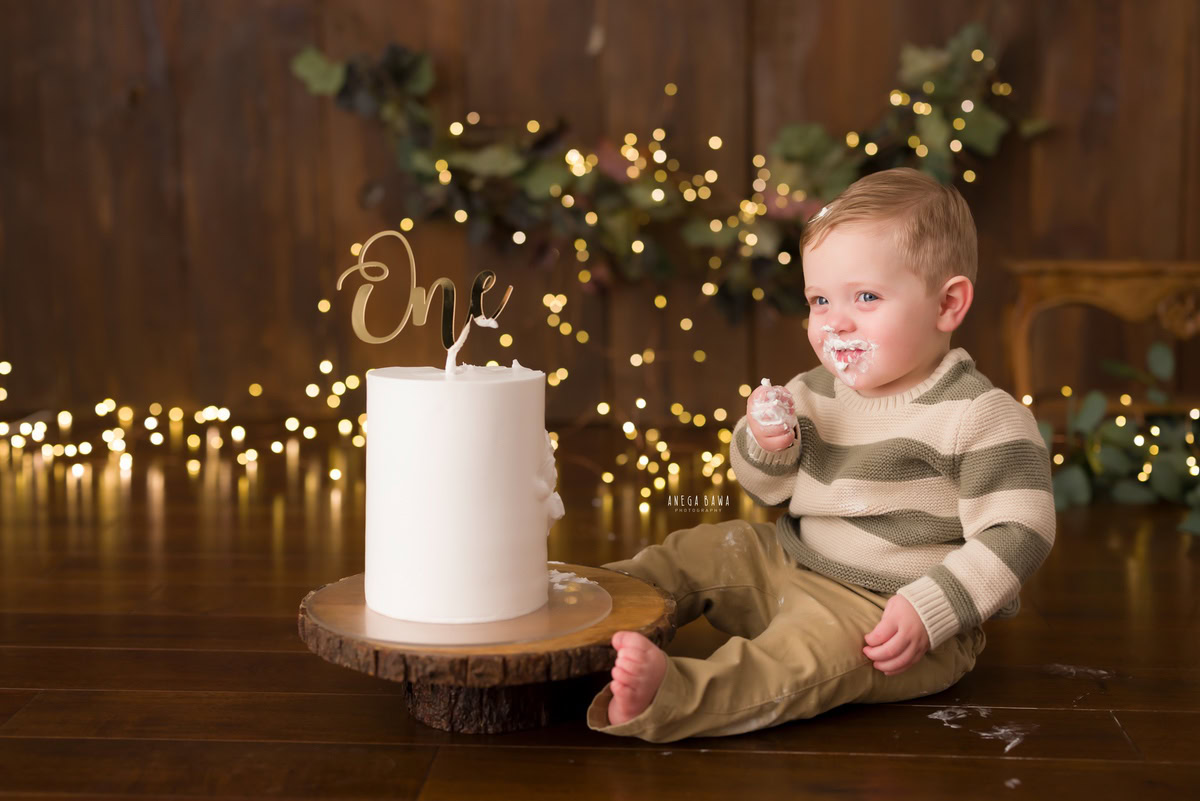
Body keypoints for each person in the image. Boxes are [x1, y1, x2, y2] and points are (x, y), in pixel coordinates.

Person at [586, 167, 1056, 743]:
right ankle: (589, 611)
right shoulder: (814, 391)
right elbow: (768, 490)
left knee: (795, 660)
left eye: (865, 296)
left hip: (889, 615)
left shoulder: (977, 415)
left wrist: (933, 608)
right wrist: (767, 442)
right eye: (819, 299)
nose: (835, 321)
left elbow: (1020, 529)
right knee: (700, 550)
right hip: (793, 562)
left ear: (947, 304)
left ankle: (674, 695)